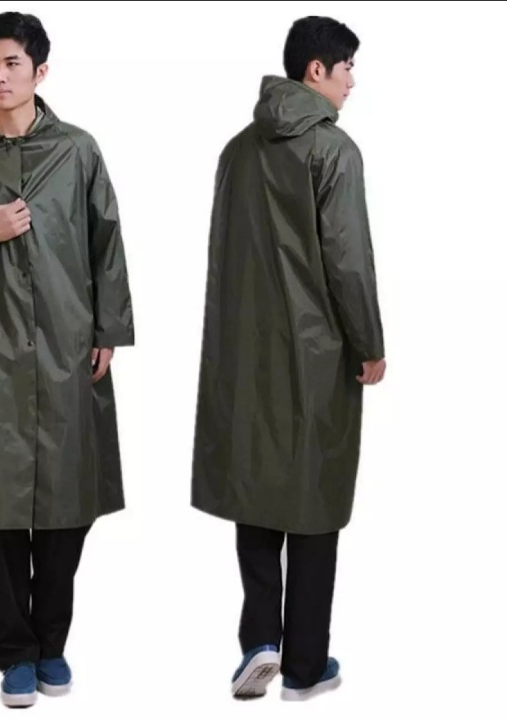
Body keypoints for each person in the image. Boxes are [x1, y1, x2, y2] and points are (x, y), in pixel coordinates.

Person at [0, 11, 134, 709]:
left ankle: (52, 643)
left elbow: (106, 240)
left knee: (70, 500)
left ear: (41, 70)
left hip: (70, 348)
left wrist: (109, 328)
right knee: (3, 507)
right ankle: (15, 655)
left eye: (12, 63)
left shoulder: (77, 151)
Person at [191, 15, 386, 702]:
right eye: (347, 67)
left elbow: (223, 259)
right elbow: (348, 262)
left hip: (243, 353)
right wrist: (370, 344)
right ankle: (304, 666)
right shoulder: (334, 151)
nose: (352, 81)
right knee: (313, 501)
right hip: (316, 354)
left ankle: (260, 640)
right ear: (316, 70)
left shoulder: (236, 152)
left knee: (255, 489)